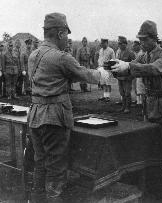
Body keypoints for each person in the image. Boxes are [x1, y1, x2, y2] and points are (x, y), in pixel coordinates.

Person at [28, 13, 104, 202]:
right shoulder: (61, 57)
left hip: (36, 115)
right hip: (54, 117)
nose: (68, 39)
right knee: (56, 167)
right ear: (61, 33)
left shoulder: (33, 54)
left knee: (40, 162)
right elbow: (86, 74)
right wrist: (103, 73)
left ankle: (36, 199)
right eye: (67, 36)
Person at [111, 20, 162, 154]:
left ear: (154, 39)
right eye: (140, 40)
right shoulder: (143, 56)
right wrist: (113, 68)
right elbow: (131, 68)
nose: (142, 43)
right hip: (149, 100)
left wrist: (128, 66)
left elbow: (153, 69)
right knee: (149, 138)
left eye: (145, 40)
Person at [115, 36, 136, 113]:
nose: (119, 45)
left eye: (120, 43)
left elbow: (134, 65)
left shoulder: (130, 53)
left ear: (125, 44)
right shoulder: (119, 53)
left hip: (127, 76)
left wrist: (132, 76)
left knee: (127, 93)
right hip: (120, 76)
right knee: (122, 92)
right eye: (118, 43)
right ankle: (123, 106)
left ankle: (127, 107)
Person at [132, 40, 145, 114]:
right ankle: (139, 102)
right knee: (137, 88)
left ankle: (143, 107)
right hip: (137, 73)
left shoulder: (142, 53)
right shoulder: (136, 53)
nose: (133, 47)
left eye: (135, 46)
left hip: (142, 73)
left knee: (142, 91)